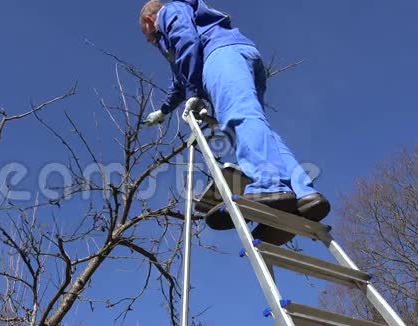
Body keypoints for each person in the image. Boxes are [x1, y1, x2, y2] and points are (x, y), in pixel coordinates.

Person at [139, 0, 330, 244]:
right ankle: (303, 196)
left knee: (238, 118)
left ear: (149, 21)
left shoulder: (168, 13)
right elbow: (180, 78)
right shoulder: (182, 33)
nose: (152, 42)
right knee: (257, 125)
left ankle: (268, 185)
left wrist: (194, 91)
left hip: (220, 56)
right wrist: (164, 110)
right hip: (238, 55)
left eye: (149, 38)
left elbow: (186, 40)